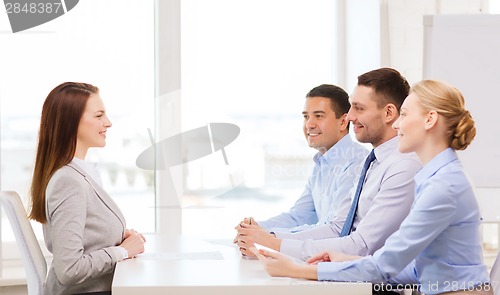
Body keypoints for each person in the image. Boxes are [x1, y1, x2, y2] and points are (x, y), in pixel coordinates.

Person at [252, 79, 492, 295]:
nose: (397, 125)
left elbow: (385, 266)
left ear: (429, 120)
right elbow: (419, 270)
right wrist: (343, 261)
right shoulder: (435, 178)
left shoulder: (443, 186)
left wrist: (299, 270)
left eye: (405, 114)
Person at [236, 68, 422, 260]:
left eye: (359, 108)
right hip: (353, 270)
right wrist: (264, 235)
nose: (349, 117)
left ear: (389, 113)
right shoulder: (371, 164)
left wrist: (274, 242)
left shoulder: (401, 166)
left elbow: (361, 245)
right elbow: (336, 228)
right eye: (306, 116)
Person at [29, 82, 146, 295]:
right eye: (99, 115)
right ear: (71, 122)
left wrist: (116, 238)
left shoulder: (78, 174)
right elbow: (70, 270)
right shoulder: (68, 181)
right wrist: (121, 251)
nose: (108, 123)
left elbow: (85, 236)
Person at [235, 84, 368, 236]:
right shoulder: (322, 163)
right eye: (306, 117)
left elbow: (336, 229)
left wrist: (269, 237)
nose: (309, 125)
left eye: (318, 116)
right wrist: (255, 228)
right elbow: (298, 216)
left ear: (343, 122)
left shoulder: (356, 163)